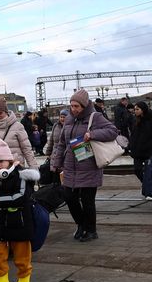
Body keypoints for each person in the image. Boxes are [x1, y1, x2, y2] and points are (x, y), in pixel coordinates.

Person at [50, 89, 118, 242]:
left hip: (89, 165)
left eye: (77, 106)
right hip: (70, 165)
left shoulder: (95, 117)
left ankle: (91, 231)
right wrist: (56, 162)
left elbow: (112, 131)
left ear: (85, 106)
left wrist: (93, 134)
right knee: (69, 197)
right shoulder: (68, 119)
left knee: (87, 200)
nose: (73, 109)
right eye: (71, 106)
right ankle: (81, 225)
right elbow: (62, 143)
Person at [0, 139, 39, 282]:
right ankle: (2, 281)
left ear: (9, 160)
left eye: (0, 161)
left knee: (22, 255)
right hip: (2, 223)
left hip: (20, 222)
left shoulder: (22, 175)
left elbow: (21, 196)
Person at [0, 97, 37, 168]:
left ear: (6, 112)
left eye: (0, 113)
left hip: (16, 168)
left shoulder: (17, 126)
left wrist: (34, 167)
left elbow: (26, 149)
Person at [129, 101, 152, 184]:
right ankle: (146, 184)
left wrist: (149, 145)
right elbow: (133, 135)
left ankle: (150, 188)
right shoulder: (135, 120)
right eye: (134, 109)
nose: (135, 111)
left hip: (148, 151)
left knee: (150, 171)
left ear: (143, 110)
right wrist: (130, 146)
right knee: (137, 170)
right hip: (137, 151)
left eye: (137, 109)